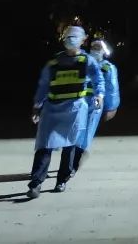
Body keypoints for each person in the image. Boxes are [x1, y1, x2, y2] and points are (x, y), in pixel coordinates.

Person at [26, 25, 104, 199]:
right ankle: (35, 183)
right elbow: (43, 86)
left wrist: (99, 95)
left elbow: (98, 80)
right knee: (44, 146)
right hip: (52, 109)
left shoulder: (87, 61)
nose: (71, 40)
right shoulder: (54, 63)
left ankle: (62, 180)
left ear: (82, 41)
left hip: (75, 109)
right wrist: (37, 106)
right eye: (68, 36)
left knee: (69, 146)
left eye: (74, 37)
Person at [73, 38, 120, 172]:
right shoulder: (83, 62)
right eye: (94, 47)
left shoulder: (108, 68)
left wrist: (111, 108)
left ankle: (78, 156)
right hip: (78, 102)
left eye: (98, 47)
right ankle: (72, 158)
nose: (95, 50)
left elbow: (112, 90)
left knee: (86, 130)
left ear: (104, 51)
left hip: (95, 104)